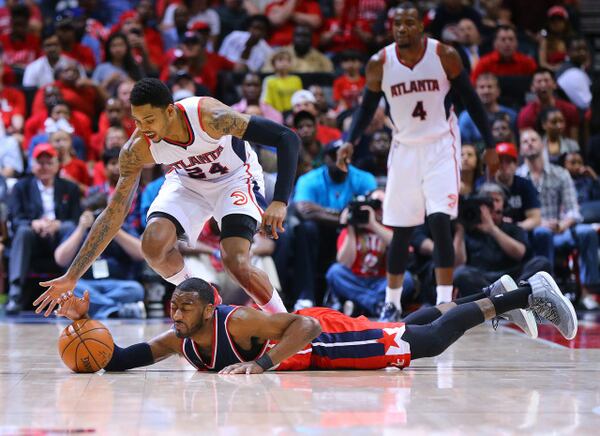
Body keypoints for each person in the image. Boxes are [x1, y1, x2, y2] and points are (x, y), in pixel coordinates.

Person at [34, 78, 300, 317]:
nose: (143, 128)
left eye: (149, 120)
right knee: (152, 245)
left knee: (235, 260)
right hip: (187, 182)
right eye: (137, 121)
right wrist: (72, 275)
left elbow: (286, 137)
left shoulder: (210, 116)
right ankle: (208, 294)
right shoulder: (137, 150)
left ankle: (284, 321)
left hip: (235, 178)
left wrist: (280, 201)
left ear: (170, 111)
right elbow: (113, 214)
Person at [50, 273, 578, 373]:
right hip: (311, 339)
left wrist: (261, 366)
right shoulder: (179, 340)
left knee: (427, 344)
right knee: (408, 328)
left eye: (184, 307)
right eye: (172, 307)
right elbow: (117, 360)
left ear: (209, 308)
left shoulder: (239, 325)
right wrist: (81, 325)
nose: (175, 313)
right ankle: (495, 292)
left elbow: (301, 326)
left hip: (320, 339)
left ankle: (528, 294)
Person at [336, 2, 499, 321]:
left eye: (409, 23)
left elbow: (471, 100)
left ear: (421, 27)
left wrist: (489, 144)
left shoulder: (444, 55)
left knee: (440, 221)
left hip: (441, 145)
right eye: (397, 24)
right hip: (404, 147)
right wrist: (349, 141)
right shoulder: (379, 62)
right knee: (401, 227)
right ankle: (392, 302)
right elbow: (366, 109)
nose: (402, 29)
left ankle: (442, 302)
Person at [516, 129, 600, 310]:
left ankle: (587, 292)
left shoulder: (560, 173)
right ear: (521, 150)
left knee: (587, 232)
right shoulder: (519, 177)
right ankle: (547, 293)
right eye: (525, 141)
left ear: (542, 145)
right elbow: (519, 215)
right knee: (542, 232)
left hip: (561, 230)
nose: (529, 143)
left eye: (533, 139)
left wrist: (563, 224)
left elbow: (574, 211)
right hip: (533, 232)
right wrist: (541, 223)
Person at [292, 141, 376, 310]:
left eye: (343, 154)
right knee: (305, 229)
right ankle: (306, 296)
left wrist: (321, 210)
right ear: (326, 159)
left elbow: (368, 213)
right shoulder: (309, 179)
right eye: (333, 155)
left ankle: (346, 298)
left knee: (361, 229)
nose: (339, 158)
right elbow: (303, 212)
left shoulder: (364, 178)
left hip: (352, 232)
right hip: (321, 232)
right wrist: (345, 214)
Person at [5, 144, 80, 315]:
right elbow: (15, 220)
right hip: (33, 237)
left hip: (60, 238)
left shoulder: (70, 188)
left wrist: (57, 224)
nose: (44, 167)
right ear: (32, 165)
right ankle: (15, 293)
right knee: (23, 231)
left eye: (49, 162)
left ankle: (71, 292)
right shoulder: (21, 187)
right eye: (40, 163)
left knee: (70, 228)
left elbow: (75, 219)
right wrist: (34, 223)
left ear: (56, 165)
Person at [453, 183, 551, 308]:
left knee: (541, 263)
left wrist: (492, 230)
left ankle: (506, 300)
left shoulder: (513, 228)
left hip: (513, 278)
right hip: (484, 280)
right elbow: (457, 264)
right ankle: (508, 302)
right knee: (461, 273)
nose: (493, 204)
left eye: (496, 200)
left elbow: (520, 254)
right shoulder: (470, 228)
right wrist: (460, 231)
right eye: (488, 200)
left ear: (504, 204)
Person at [517, 68, 579, 140]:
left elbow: (574, 142)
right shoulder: (525, 114)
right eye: (539, 81)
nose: (543, 84)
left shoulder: (570, 109)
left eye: (546, 80)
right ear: (532, 87)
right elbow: (525, 143)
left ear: (554, 84)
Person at [493, 142, 541, 232]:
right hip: (492, 231)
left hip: (520, 230)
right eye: (500, 161)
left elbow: (535, 219)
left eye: (508, 161)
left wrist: (514, 229)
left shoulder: (525, 184)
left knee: (542, 233)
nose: (504, 166)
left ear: (516, 165)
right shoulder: (486, 185)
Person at [458, 73, 516, 145]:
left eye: (490, 87)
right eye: (482, 87)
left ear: (498, 91)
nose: (486, 91)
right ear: (475, 92)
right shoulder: (466, 117)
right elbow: (464, 145)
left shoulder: (511, 115)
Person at [470, 24, 537, 82]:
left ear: (517, 43)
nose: (507, 43)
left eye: (511, 39)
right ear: (495, 44)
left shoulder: (528, 63)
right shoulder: (484, 63)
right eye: (503, 39)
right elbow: (473, 85)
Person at [556, 37, 592, 111]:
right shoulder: (572, 73)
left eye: (585, 49)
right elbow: (585, 104)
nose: (583, 53)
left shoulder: (578, 67)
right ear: (568, 52)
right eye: (578, 50)